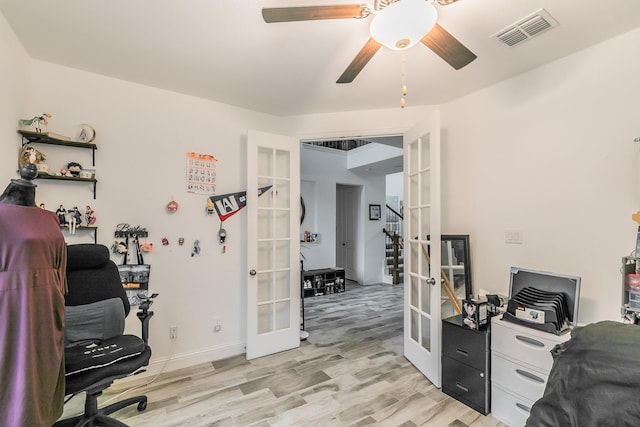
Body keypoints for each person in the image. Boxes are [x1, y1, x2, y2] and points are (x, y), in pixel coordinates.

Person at [0, 164, 67, 427]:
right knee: (13, 373)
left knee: (43, 370)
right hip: (12, 305)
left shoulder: (49, 217)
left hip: (48, 305)